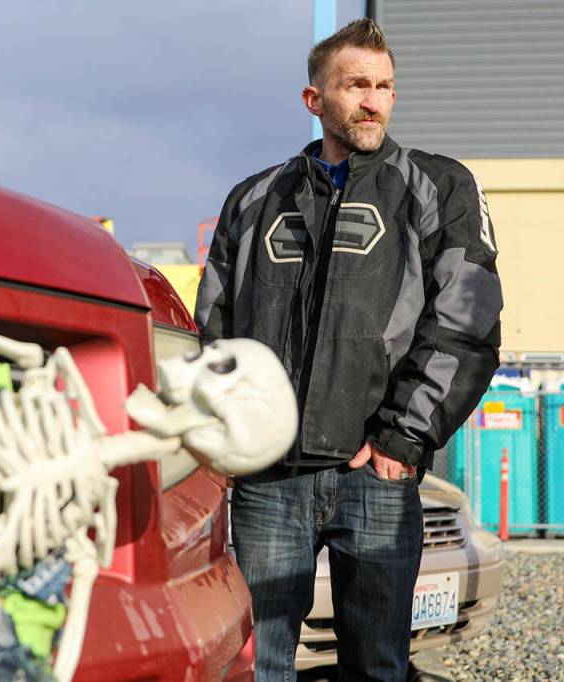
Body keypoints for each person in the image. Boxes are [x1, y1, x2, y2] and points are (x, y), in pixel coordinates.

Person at [194, 18, 502, 681]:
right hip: (269, 480)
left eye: (385, 87)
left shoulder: (437, 187)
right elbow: (214, 331)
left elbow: (467, 321)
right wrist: (233, 436)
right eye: (356, 85)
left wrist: (400, 441)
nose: (373, 101)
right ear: (315, 100)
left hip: (376, 475)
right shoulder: (254, 199)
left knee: (377, 667)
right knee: (257, 663)